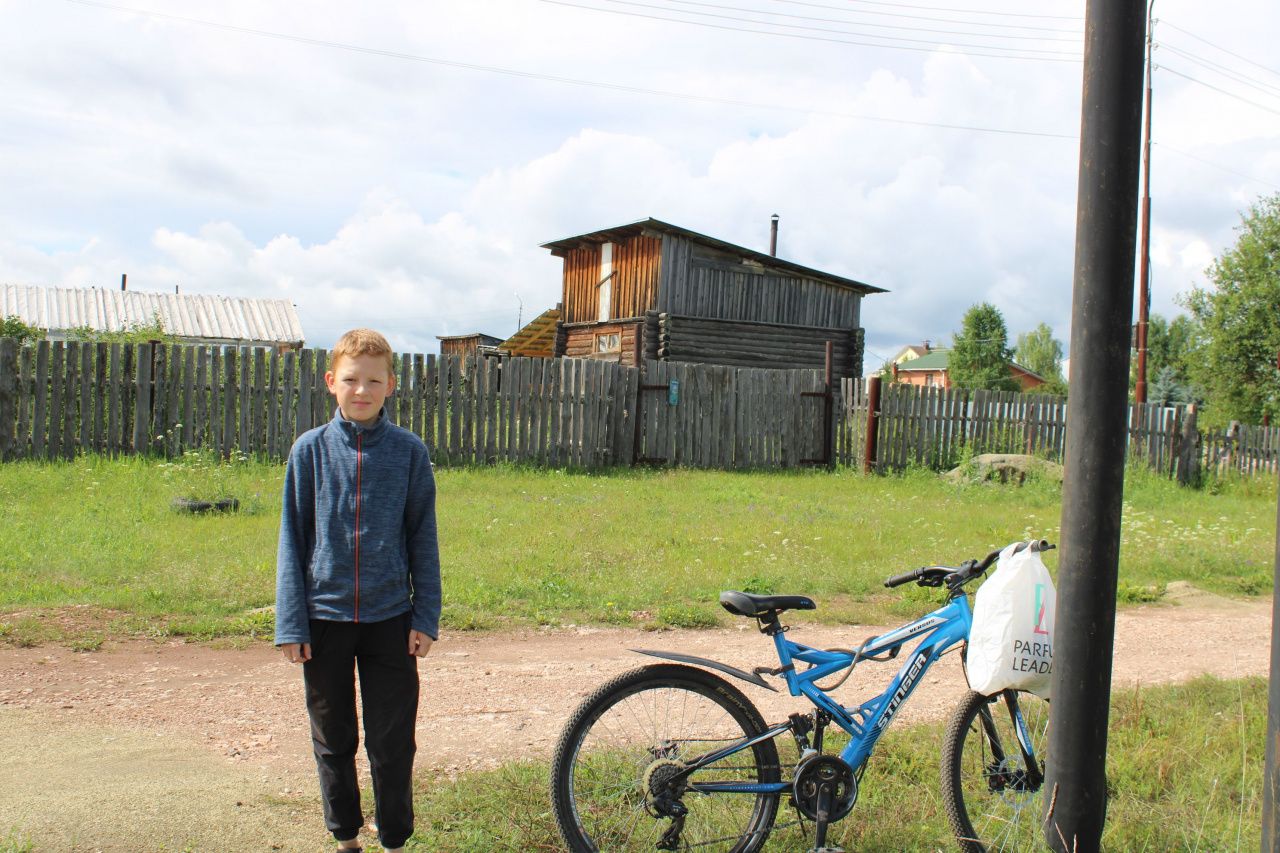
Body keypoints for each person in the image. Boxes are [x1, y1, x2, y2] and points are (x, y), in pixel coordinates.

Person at [275, 328, 441, 853]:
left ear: (391, 384)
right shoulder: (309, 452)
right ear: (331, 382)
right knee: (334, 737)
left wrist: (425, 616)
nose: (361, 390)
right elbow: (292, 538)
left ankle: (393, 839)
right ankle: (345, 836)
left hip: (391, 619)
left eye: (373, 380)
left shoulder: (410, 454)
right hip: (322, 620)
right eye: (351, 380)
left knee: (392, 742)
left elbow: (423, 538)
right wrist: (291, 623)